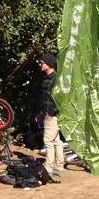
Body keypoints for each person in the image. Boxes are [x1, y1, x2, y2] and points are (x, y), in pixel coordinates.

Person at [37, 53, 64, 182]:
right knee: (56, 141)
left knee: (48, 141)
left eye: (42, 62)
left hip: (52, 115)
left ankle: (48, 169)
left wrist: (51, 112)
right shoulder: (47, 78)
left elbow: (60, 98)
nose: (40, 64)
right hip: (47, 113)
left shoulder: (56, 79)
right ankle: (58, 168)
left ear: (49, 64)